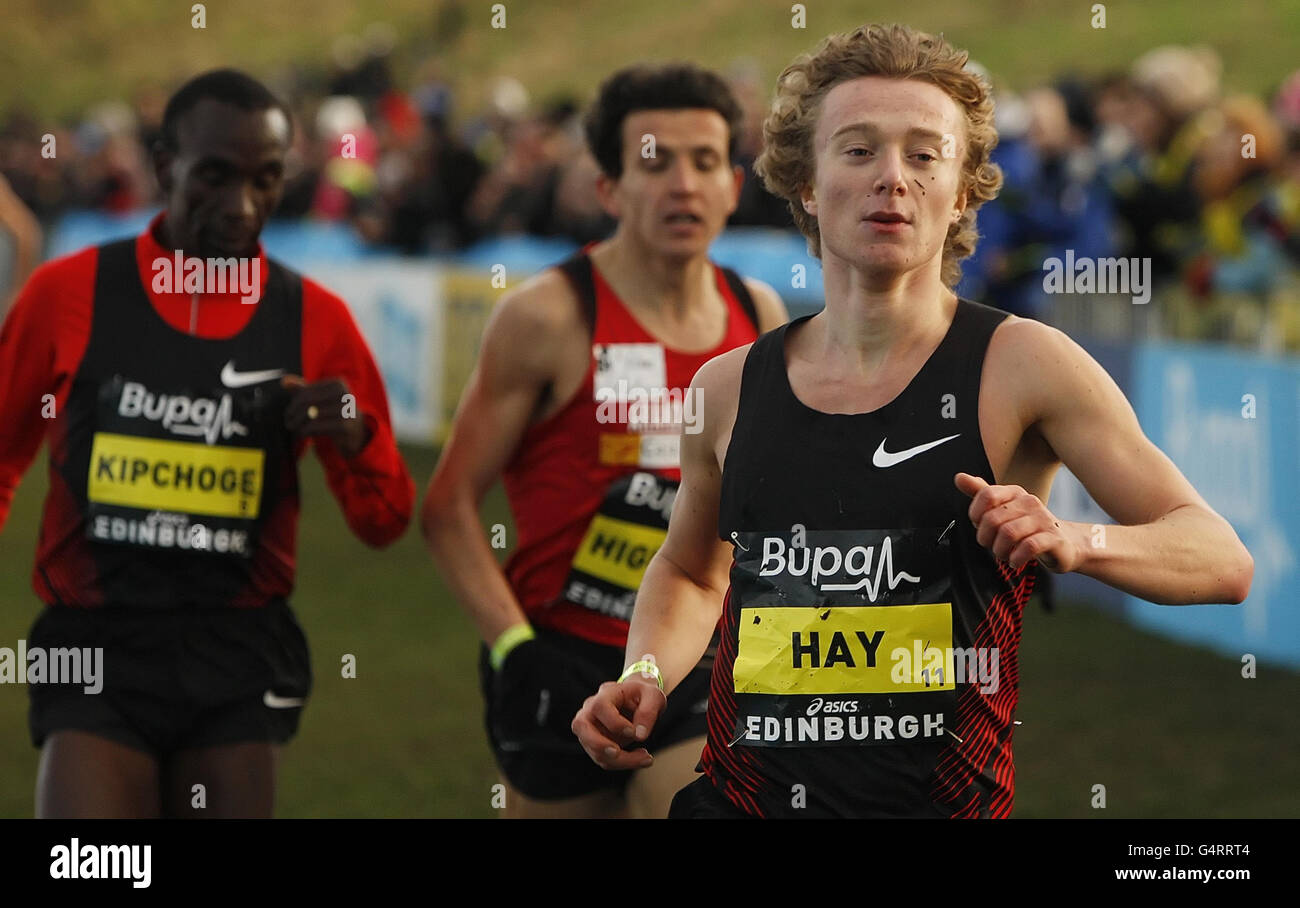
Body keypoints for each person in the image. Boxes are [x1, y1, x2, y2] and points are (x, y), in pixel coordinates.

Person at [571, 23, 1254, 818]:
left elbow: (1220, 558)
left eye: (925, 154)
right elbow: (692, 573)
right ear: (804, 183)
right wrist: (645, 676)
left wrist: (1076, 539)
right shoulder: (728, 387)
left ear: (963, 188)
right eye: (857, 150)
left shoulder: (1024, 364)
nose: (892, 178)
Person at [0, 68, 414, 818]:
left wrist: (359, 438)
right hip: (94, 646)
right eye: (216, 176)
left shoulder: (314, 320)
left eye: (266, 180)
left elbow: (384, 522)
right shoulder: (67, 294)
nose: (243, 206)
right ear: (164, 167)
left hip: (237, 657)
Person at [421, 63, 788, 819]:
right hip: (561, 661)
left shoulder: (760, 316)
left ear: (733, 184)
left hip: (697, 657)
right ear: (609, 190)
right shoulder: (547, 317)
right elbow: (450, 505)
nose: (682, 184)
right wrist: (515, 650)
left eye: (705, 162)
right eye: (655, 162)